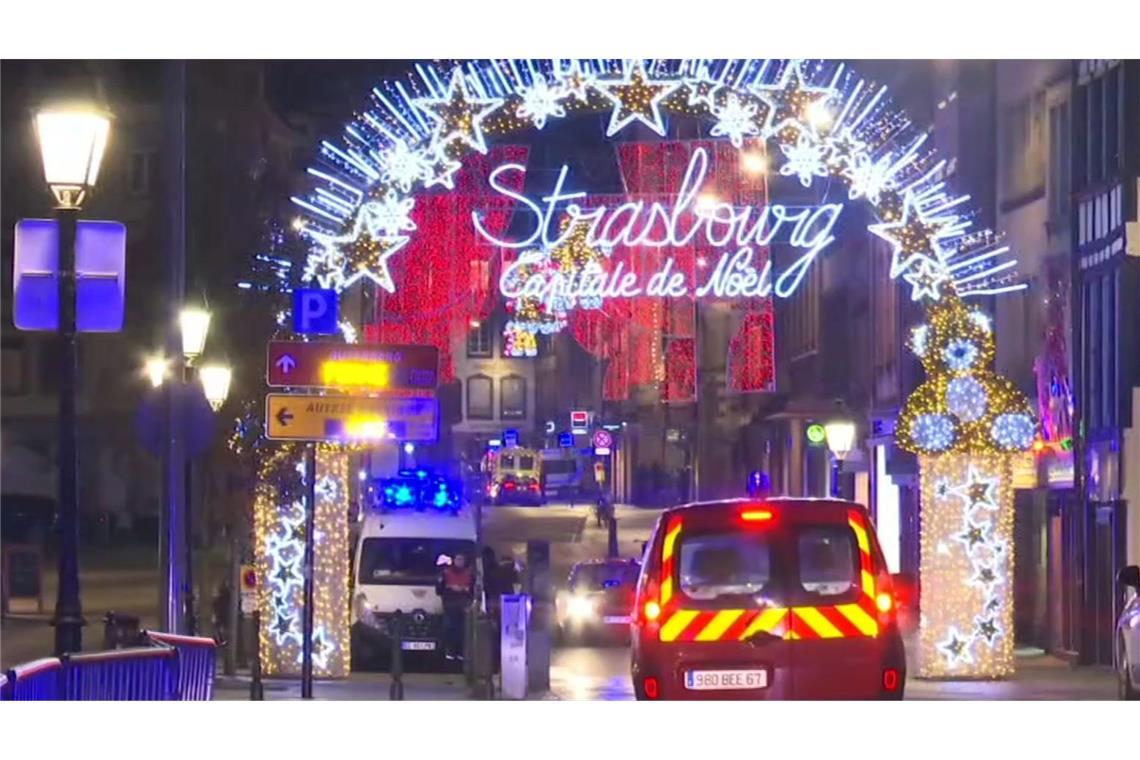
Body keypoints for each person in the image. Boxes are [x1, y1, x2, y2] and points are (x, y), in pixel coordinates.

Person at [437, 552, 474, 660]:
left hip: (464, 605)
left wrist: (464, 589)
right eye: (458, 559)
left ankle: (461, 652)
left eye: (462, 559)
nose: (460, 562)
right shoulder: (446, 573)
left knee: (463, 630)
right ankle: (451, 651)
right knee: (450, 629)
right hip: (450, 605)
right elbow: (439, 589)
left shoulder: (469, 573)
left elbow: (472, 589)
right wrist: (450, 588)